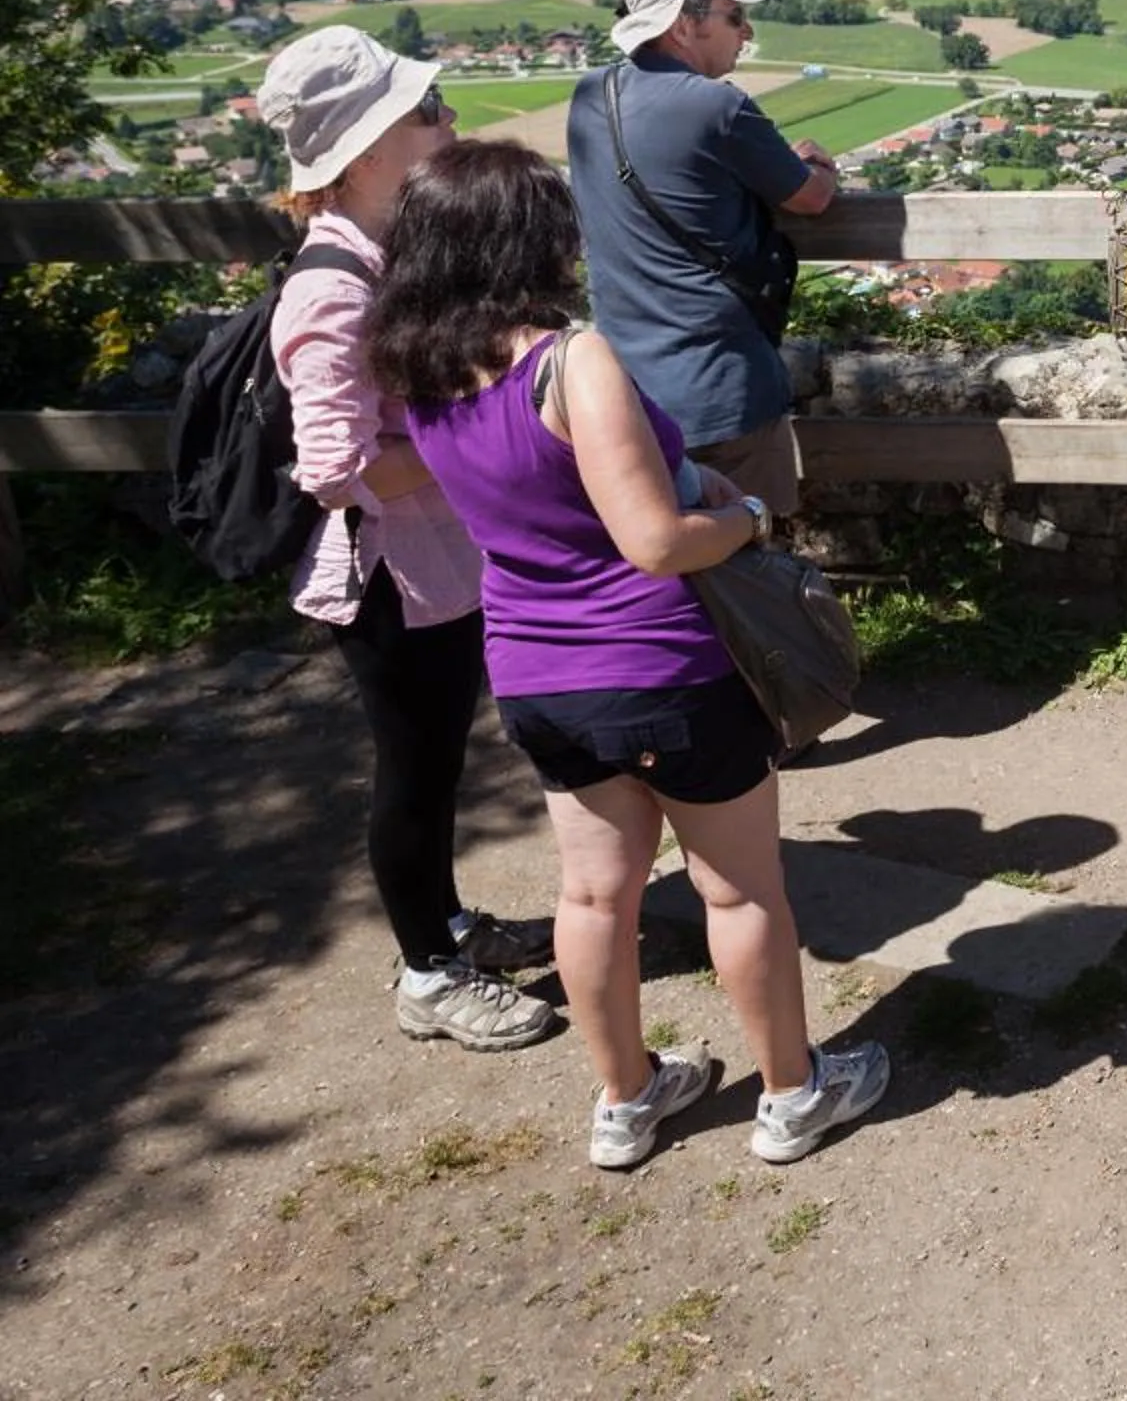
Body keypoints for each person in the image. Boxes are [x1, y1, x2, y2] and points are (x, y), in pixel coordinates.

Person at [369, 139, 888, 1171]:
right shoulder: (570, 360)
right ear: (532, 239)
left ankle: (627, 1098)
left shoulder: (422, 372)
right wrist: (742, 517)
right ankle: (794, 1093)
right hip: (658, 663)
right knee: (738, 890)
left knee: (594, 895)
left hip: (533, 672)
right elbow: (652, 539)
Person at [256, 25, 556, 1053]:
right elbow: (335, 467)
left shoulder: (390, 257)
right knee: (414, 771)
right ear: (368, 148)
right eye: (428, 111)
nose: (451, 120)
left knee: (439, 764)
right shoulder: (331, 290)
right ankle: (428, 971)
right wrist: (475, 436)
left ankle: (450, 922)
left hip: (435, 564)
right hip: (388, 575)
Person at [566, 0, 838, 520]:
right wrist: (817, 164)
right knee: (750, 561)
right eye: (734, 16)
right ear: (683, 25)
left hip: (627, 392)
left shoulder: (593, 96)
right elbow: (810, 198)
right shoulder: (717, 108)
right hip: (722, 389)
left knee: (662, 568)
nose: (746, 31)